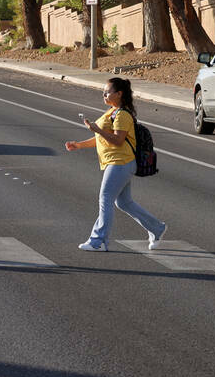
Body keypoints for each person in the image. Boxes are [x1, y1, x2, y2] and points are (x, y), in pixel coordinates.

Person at [64, 77, 166, 252]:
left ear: (119, 94)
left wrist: (97, 129)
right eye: (104, 91)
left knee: (105, 198)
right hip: (118, 163)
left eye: (108, 91)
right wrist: (79, 144)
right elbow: (102, 139)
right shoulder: (111, 112)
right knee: (124, 203)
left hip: (120, 162)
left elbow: (118, 140)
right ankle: (157, 228)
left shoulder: (122, 115)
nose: (104, 94)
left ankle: (99, 240)